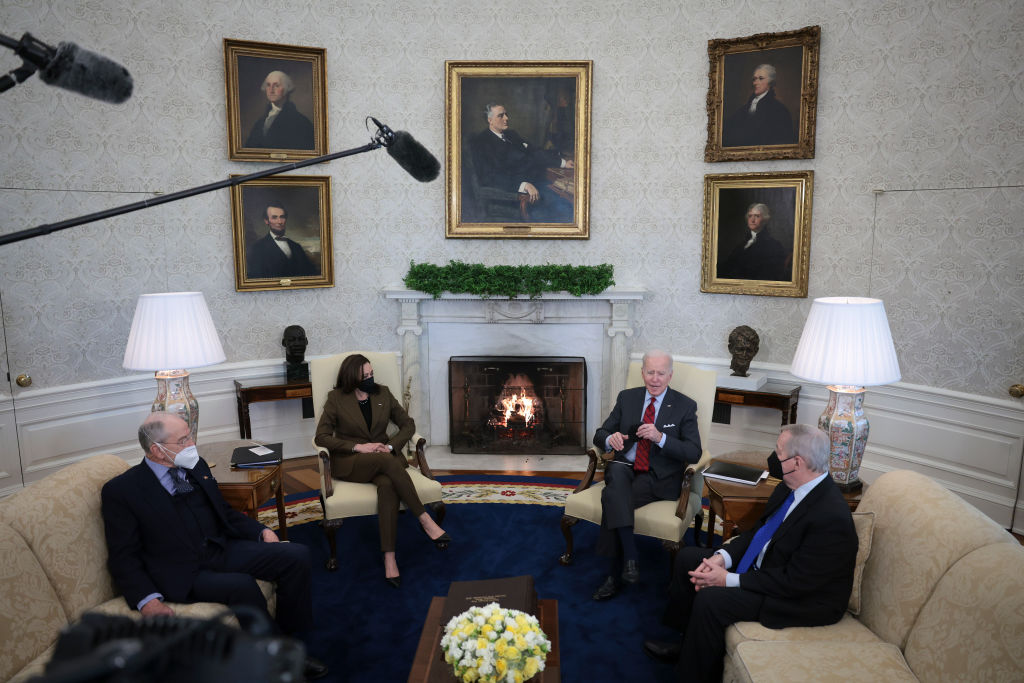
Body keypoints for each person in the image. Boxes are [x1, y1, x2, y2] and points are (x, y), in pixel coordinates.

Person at [100, 412, 327, 680]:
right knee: (241, 584)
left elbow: (225, 513)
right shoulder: (122, 491)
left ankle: (288, 636)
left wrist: (261, 531)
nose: (192, 444)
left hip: (220, 548)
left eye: (190, 435)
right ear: (157, 450)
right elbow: (123, 555)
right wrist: (147, 600)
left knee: (296, 555)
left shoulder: (197, 467)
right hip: (182, 571)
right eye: (183, 440)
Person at [643, 424, 858, 682]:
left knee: (712, 599)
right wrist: (722, 557)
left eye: (778, 453)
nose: (772, 459)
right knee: (689, 559)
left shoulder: (831, 517)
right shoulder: (787, 488)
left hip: (802, 599)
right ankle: (687, 644)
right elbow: (757, 533)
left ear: (797, 462)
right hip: (770, 569)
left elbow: (795, 582)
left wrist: (727, 579)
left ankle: (693, 674)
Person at [314, 354, 450, 587]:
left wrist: (390, 446)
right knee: (389, 462)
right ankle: (425, 519)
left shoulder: (382, 393)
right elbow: (322, 436)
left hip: (383, 456)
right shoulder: (336, 398)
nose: (370, 379)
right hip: (351, 461)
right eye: (364, 376)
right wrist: (358, 447)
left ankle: (389, 558)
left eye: (371, 374)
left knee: (387, 485)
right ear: (351, 377)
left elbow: (408, 424)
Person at [591, 350, 702, 601]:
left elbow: (693, 452)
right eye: (650, 372)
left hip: (659, 477)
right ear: (642, 373)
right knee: (617, 472)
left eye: (661, 373)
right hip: (625, 467)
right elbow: (600, 433)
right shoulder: (627, 398)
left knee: (612, 496)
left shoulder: (685, 406)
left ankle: (613, 574)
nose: (654, 379)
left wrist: (660, 438)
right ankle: (630, 556)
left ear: (670, 375)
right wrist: (611, 438)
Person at [470, 103, 575, 221]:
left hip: (538, 182)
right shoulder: (482, 143)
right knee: (562, 210)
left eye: (506, 114)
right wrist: (523, 185)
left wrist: (563, 163)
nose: (506, 118)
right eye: (501, 116)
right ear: (490, 120)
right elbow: (490, 176)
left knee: (569, 201)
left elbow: (534, 152)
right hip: (517, 194)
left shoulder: (511, 134)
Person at [722, 63, 796, 148]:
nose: (755, 83)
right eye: (754, 79)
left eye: (761, 79)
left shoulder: (779, 110)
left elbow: (781, 142)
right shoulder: (744, 109)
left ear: (770, 82)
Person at [717, 203, 789, 281]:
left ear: (765, 219)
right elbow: (728, 265)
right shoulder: (743, 244)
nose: (752, 220)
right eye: (750, 216)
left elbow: (769, 274)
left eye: (757, 216)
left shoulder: (773, 245)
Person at [244, 70, 315, 150]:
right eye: (268, 85)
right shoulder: (260, 122)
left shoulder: (301, 122)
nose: (271, 90)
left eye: (276, 85)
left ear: (286, 89)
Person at [246, 202, 319, 279]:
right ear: (266, 221)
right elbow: (256, 279)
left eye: (282, 217)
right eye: (274, 217)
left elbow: (311, 274)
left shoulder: (296, 247)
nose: (280, 221)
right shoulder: (257, 248)